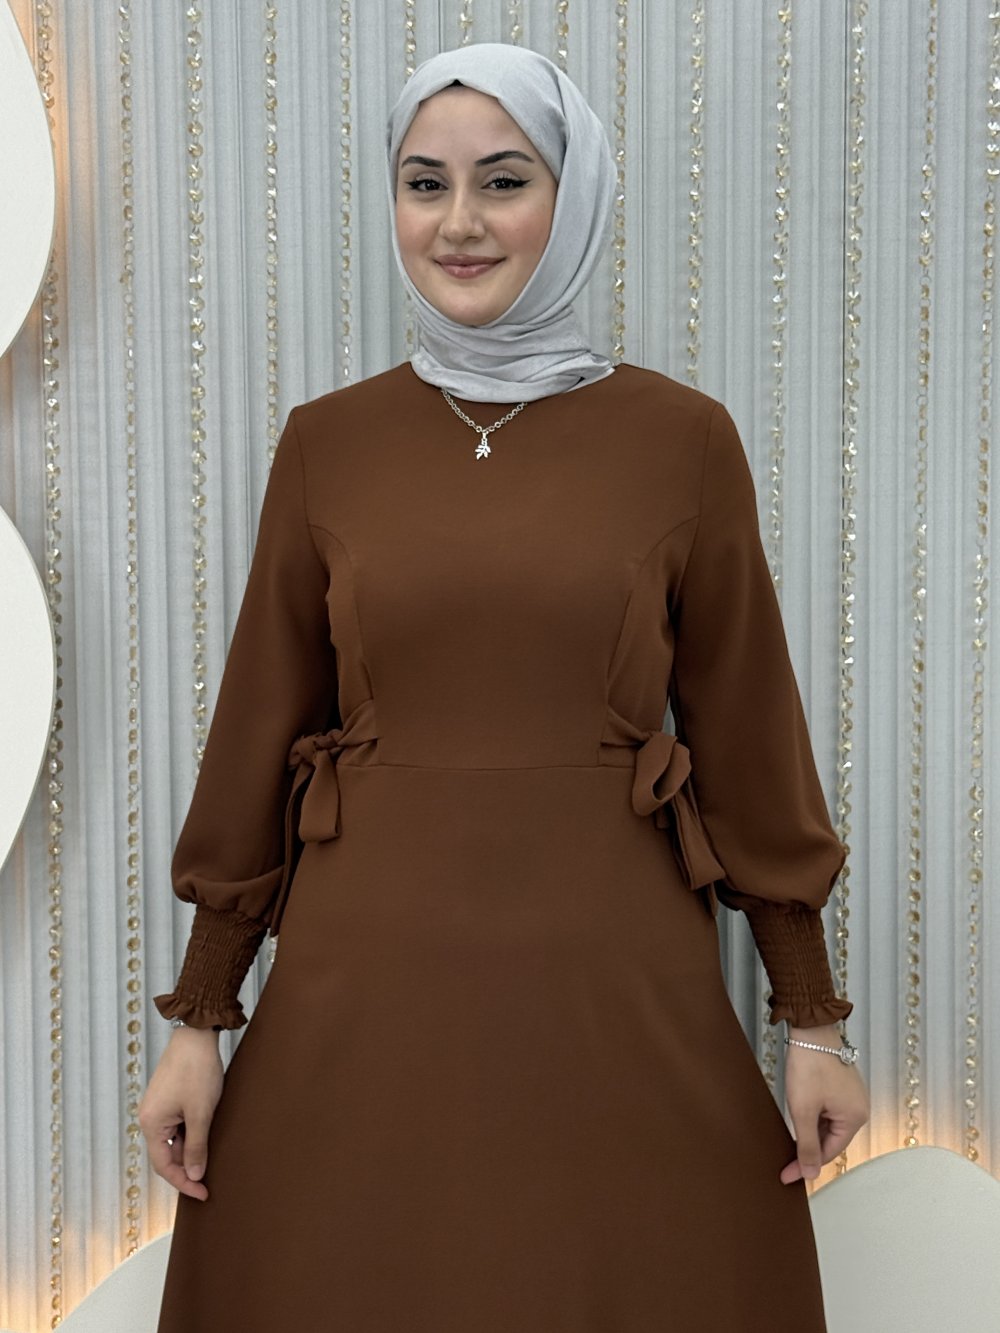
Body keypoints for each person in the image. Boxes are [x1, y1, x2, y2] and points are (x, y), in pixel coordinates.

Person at [140, 42, 870, 1331]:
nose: (459, 222)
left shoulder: (682, 440)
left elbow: (751, 739)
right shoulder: (328, 444)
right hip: (364, 982)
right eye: (426, 184)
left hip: (611, 980)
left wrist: (811, 1021)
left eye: (503, 180)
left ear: (571, 199)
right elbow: (258, 730)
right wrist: (200, 1020)